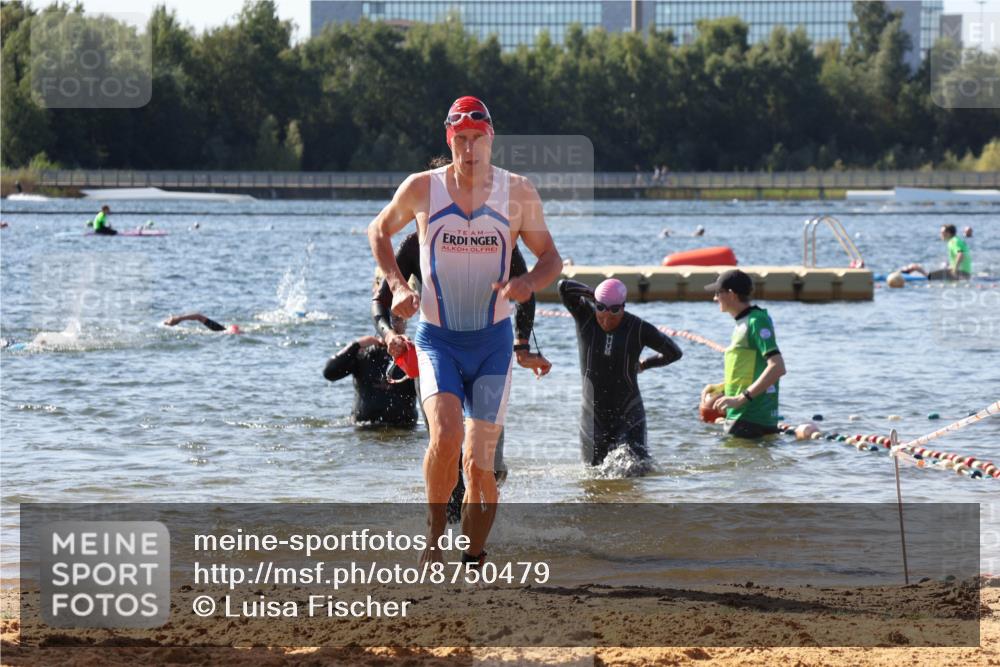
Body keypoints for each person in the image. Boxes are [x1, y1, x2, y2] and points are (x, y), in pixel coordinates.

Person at [368, 95, 562, 568]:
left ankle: (473, 555)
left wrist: (527, 284)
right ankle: (434, 529)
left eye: (478, 140)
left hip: (492, 344)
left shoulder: (518, 193)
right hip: (439, 341)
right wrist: (396, 286)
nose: (470, 150)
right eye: (462, 141)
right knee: (447, 436)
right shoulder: (422, 189)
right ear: (449, 140)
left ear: (491, 140)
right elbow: (378, 230)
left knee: (479, 463)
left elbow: (551, 260)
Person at [372, 230, 553, 513]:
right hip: (437, 352)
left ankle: (479, 538)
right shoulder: (416, 241)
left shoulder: (494, 235)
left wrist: (521, 345)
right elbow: (381, 300)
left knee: (487, 464)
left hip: (489, 353)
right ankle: (441, 532)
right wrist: (387, 336)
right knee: (447, 452)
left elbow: (525, 294)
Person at [559, 278, 683, 468]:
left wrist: (645, 364)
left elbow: (674, 352)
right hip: (593, 417)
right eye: (601, 308)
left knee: (636, 470)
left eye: (614, 310)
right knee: (592, 478)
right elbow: (564, 287)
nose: (606, 318)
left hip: (629, 413)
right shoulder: (585, 317)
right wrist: (597, 295)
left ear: (623, 307)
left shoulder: (638, 328)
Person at [700, 270, 786, 439]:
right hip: (743, 417)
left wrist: (740, 399)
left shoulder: (756, 321)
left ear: (731, 294)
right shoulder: (743, 323)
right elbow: (752, 370)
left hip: (749, 418)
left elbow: (777, 367)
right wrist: (720, 387)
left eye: (718, 293)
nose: (715, 298)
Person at [323, 316, 418, 429]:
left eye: (397, 319)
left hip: (403, 430)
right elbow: (329, 373)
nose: (391, 325)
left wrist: (413, 350)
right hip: (364, 430)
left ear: (405, 324)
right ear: (378, 326)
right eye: (387, 320)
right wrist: (356, 345)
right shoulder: (363, 354)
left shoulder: (413, 356)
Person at [900, 224, 972, 280]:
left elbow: (960, 254)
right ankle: (912, 269)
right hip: (965, 272)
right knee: (944, 265)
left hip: (961, 274)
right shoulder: (957, 240)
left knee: (929, 276)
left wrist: (954, 270)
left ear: (949, 233)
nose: (940, 234)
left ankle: (916, 268)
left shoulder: (953, 242)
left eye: (942, 232)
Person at [163, 313, 241, 335]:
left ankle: (177, 319)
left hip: (224, 331)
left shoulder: (221, 330)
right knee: (199, 317)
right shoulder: (221, 330)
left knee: (199, 317)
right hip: (223, 331)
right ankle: (177, 319)